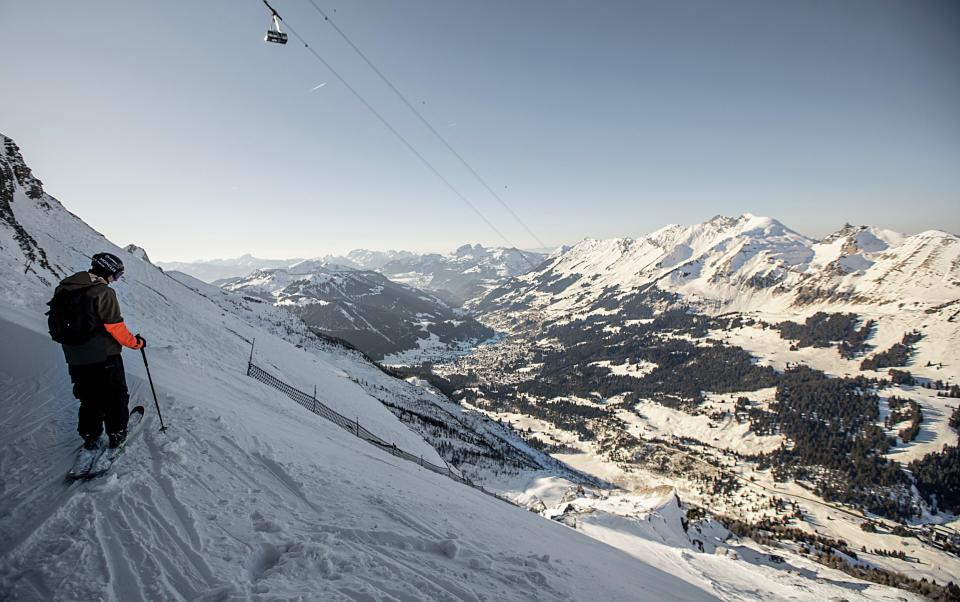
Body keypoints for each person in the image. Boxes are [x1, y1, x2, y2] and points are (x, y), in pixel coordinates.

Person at [50, 252, 145, 450]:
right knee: (115, 395)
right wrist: (136, 343)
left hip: (74, 356)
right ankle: (117, 433)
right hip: (104, 356)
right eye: (117, 275)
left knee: (88, 397)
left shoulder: (64, 288)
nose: (116, 279)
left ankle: (90, 436)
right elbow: (115, 327)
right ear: (109, 271)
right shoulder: (102, 292)